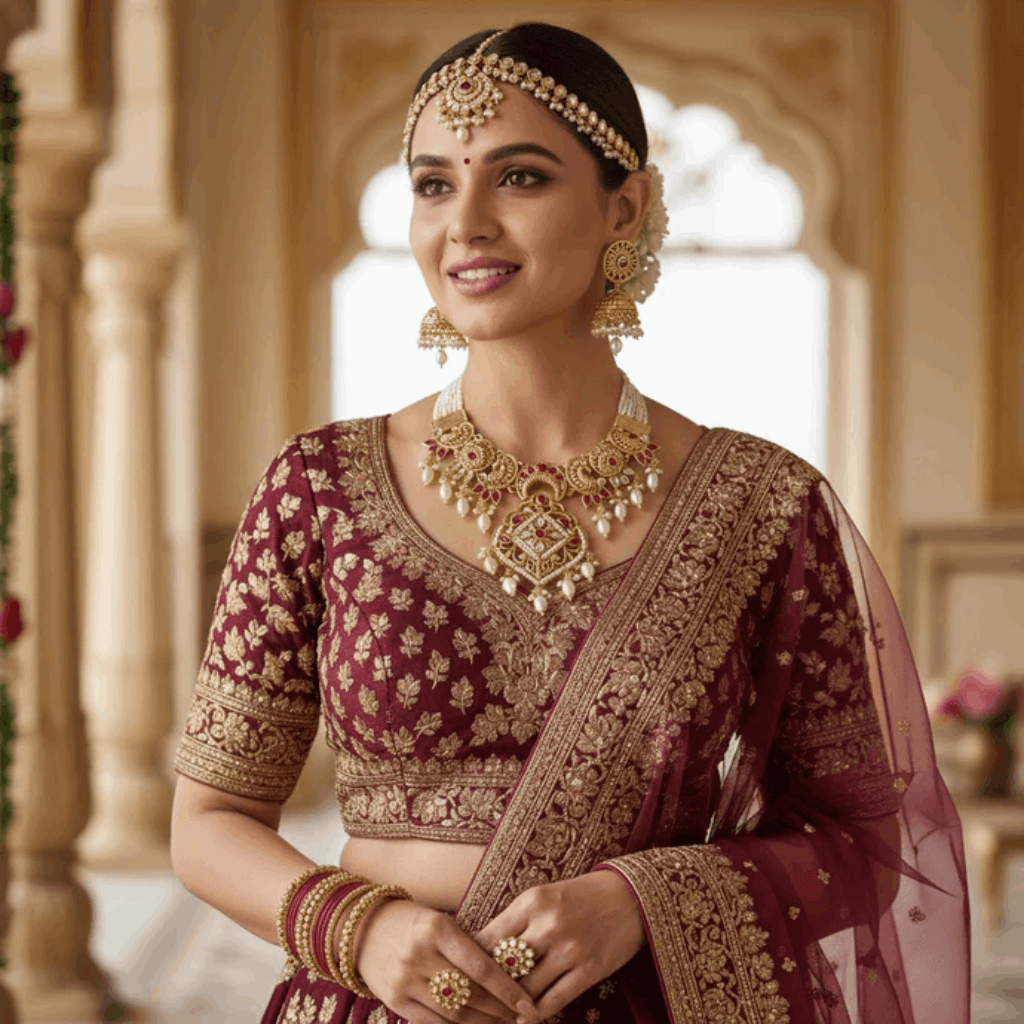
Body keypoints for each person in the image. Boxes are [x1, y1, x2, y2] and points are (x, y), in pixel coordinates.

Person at [169, 22, 971, 1024]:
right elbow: (207, 822)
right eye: (431, 184)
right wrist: (359, 928)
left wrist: (638, 901)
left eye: (519, 178)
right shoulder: (318, 490)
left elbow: (861, 846)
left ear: (624, 205)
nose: (463, 222)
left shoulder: (761, 507)